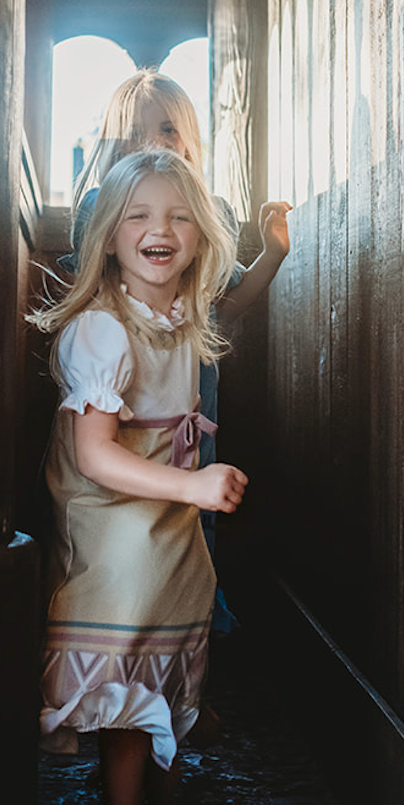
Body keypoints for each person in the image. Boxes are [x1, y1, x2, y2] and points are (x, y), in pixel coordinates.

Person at [29, 149, 246, 805]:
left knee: (172, 627)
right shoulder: (104, 330)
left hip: (166, 505)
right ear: (111, 237)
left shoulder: (182, 315)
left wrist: (188, 452)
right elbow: (94, 456)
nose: (164, 229)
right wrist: (190, 484)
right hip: (115, 514)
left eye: (182, 216)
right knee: (127, 654)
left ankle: (163, 763)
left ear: (203, 236)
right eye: (142, 216)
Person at [61, 69, 291, 635]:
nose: (154, 145)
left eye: (167, 130)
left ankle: (190, 643)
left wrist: (274, 254)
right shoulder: (105, 207)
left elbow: (224, 304)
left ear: (190, 139)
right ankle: (125, 655)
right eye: (136, 136)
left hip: (189, 404)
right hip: (132, 399)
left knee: (194, 512)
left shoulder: (200, 213)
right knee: (132, 521)